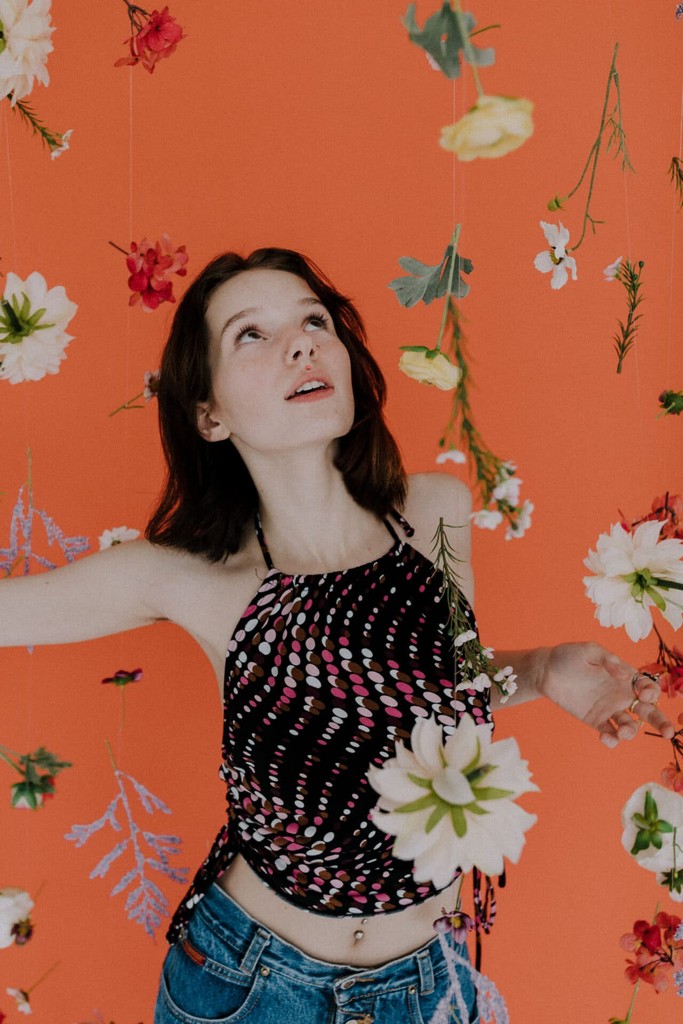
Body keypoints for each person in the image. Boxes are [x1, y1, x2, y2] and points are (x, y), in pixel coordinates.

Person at [1, 247, 674, 1024]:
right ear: (207, 414)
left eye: (314, 321)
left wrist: (542, 668)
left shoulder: (433, 511)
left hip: (429, 983)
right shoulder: (185, 575)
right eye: (250, 334)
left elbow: (428, 693)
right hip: (254, 987)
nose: (300, 344)